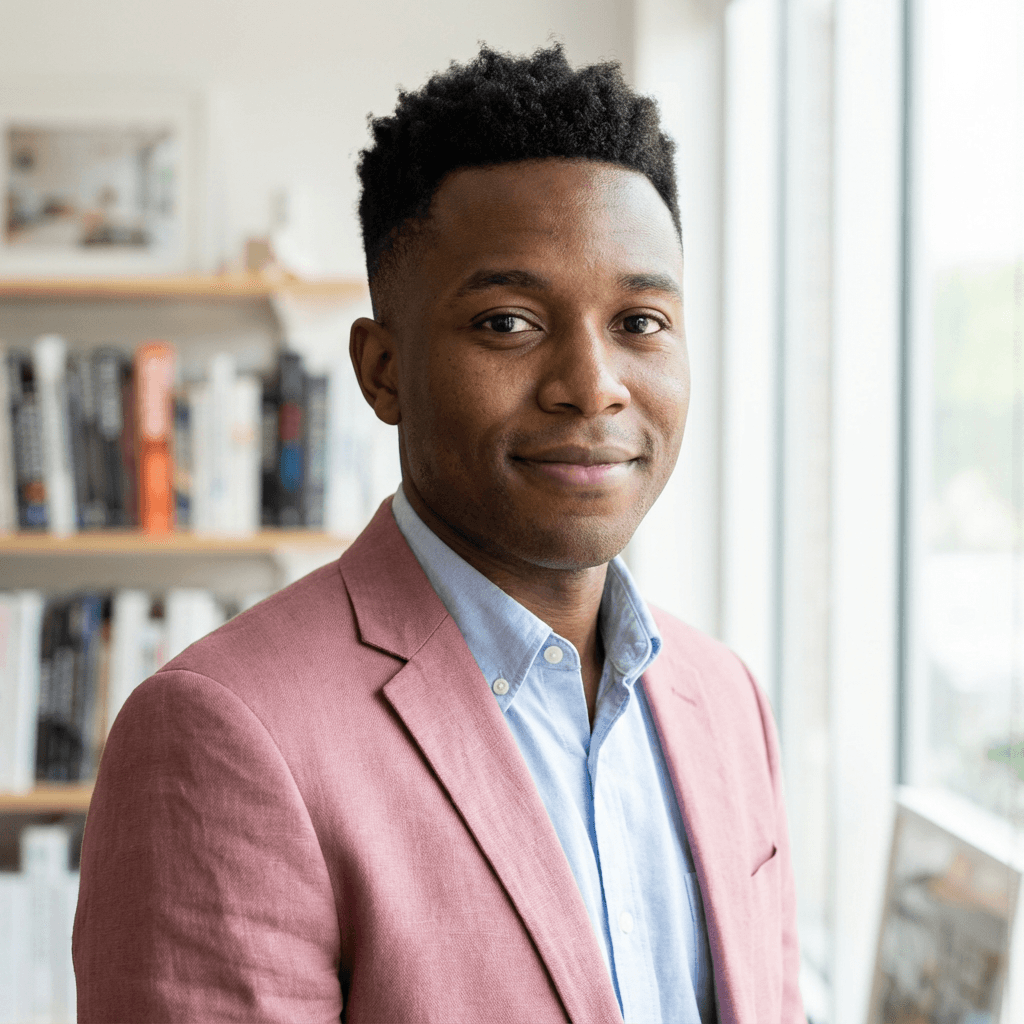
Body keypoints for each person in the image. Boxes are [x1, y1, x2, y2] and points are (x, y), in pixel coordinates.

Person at [73, 45, 804, 1024]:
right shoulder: (221, 734)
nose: (592, 386)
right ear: (382, 371)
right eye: (507, 323)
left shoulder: (726, 698)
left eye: (639, 321)